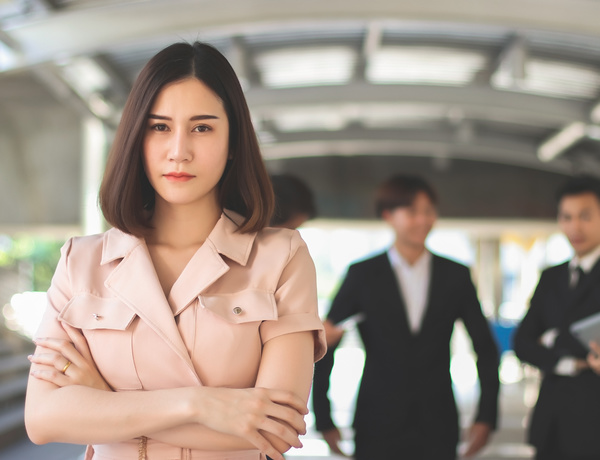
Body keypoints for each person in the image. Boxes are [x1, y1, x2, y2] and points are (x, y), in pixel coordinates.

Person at [24, 41, 326, 460]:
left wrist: (105, 402)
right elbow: (43, 419)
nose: (178, 151)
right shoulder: (81, 261)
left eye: (202, 128)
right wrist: (201, 404)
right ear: (136, 137)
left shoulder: (282, 257)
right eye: (159, 127)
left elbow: (276, 430)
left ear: (233, 140)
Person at [312, 174, 500, 459]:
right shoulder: (362, 274)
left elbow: (484, 348)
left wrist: (486, 416)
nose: (423, 220)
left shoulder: (455, 275)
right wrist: (323, 419)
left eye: (428, 211)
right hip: (376, 420)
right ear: (388, 215)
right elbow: (326, 343)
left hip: (438, 421)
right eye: (412, 211)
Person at [513, 175, 600, 460]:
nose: (574, 227)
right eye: (566, 217)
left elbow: (546, 338)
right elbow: (522, 342)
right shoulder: (551, 277)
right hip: (551, 424)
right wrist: (568, 360)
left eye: (585, 216)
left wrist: (552, 339)